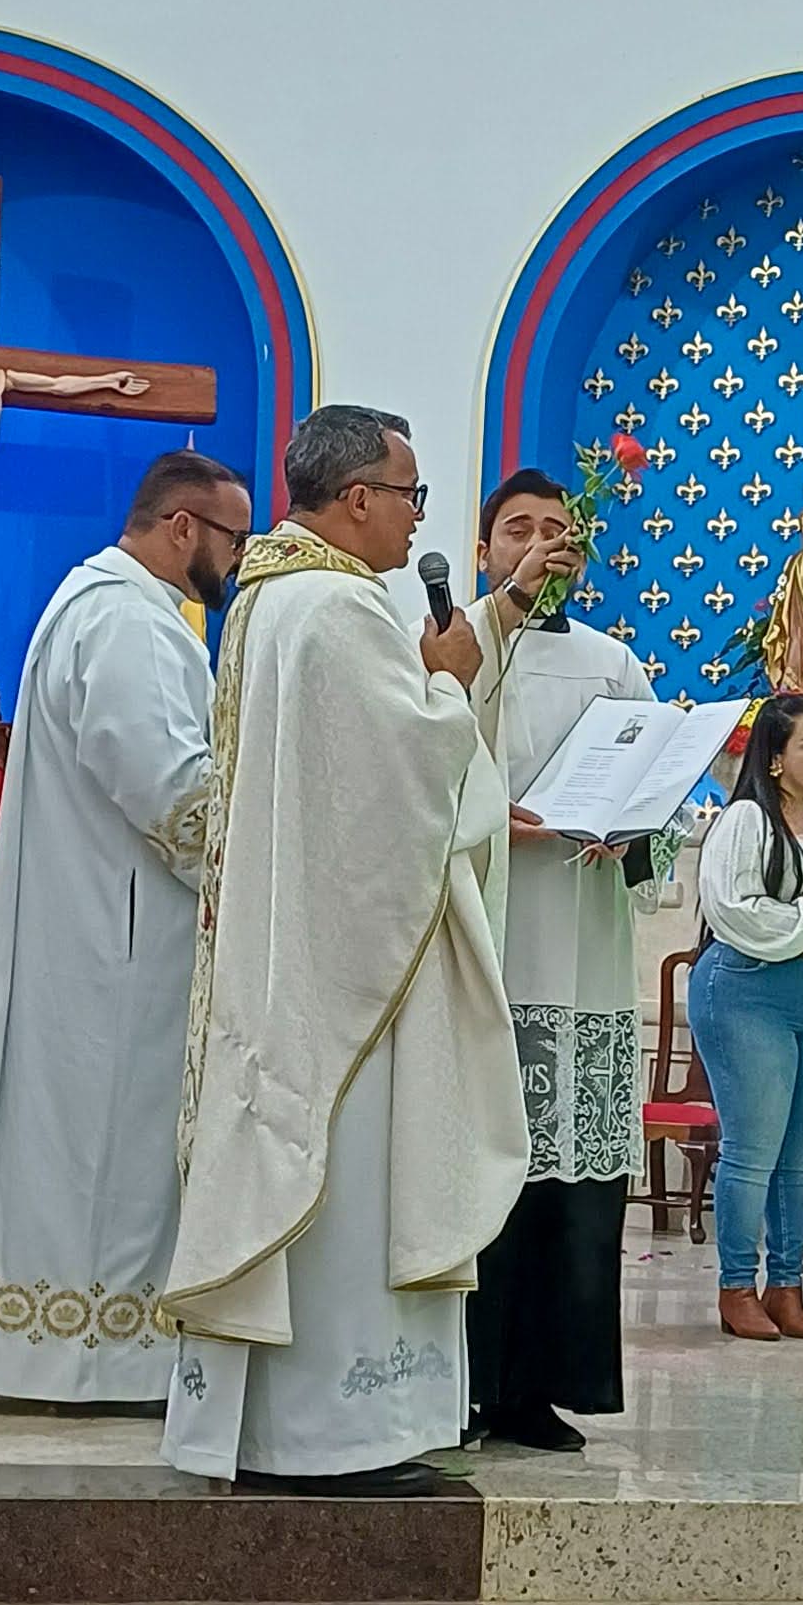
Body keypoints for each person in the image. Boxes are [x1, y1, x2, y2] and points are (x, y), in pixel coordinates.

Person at [162, 405, 528, 1496]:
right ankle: (337, 1436)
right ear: (358, 497)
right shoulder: (337, 608)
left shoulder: (268, 600)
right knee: (355, 1180)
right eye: (410, 494)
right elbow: (404, 789)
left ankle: (283, 1430)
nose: (417, 515)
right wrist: (451, 678)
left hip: (296, 947)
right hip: (347, 969)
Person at [0, 449, 248, 1408]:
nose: (238, 557)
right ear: (182, 526)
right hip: (120, 942)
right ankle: (98, 1355)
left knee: (76, 1147)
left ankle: (57, 1349)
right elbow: (168, 789)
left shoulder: (99, 604)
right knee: (107, 1149)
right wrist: (258, 853)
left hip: (99, 927)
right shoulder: (128, 621)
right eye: (233, 536)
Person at [463, 467, 655, 1453]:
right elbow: (418, 772)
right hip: (491, 947)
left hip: (583, 948)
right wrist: (485, 819)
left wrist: (635, 829)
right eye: (519, 529)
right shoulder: (458, 646)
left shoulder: (613, 663)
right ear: (484, 547)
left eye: (557, 531)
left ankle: (537, 1387)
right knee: (483, 1172)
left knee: (568, 1184)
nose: (542, 545)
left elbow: (655, 786)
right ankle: (460, 1380)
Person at [690, 690, 803, 1343]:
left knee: (801, 1155)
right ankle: (737, 1287)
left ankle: (787, 1286)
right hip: (749, 990)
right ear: (774, 758)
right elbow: (732, 908)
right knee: (752, 1150)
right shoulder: (745, 821)